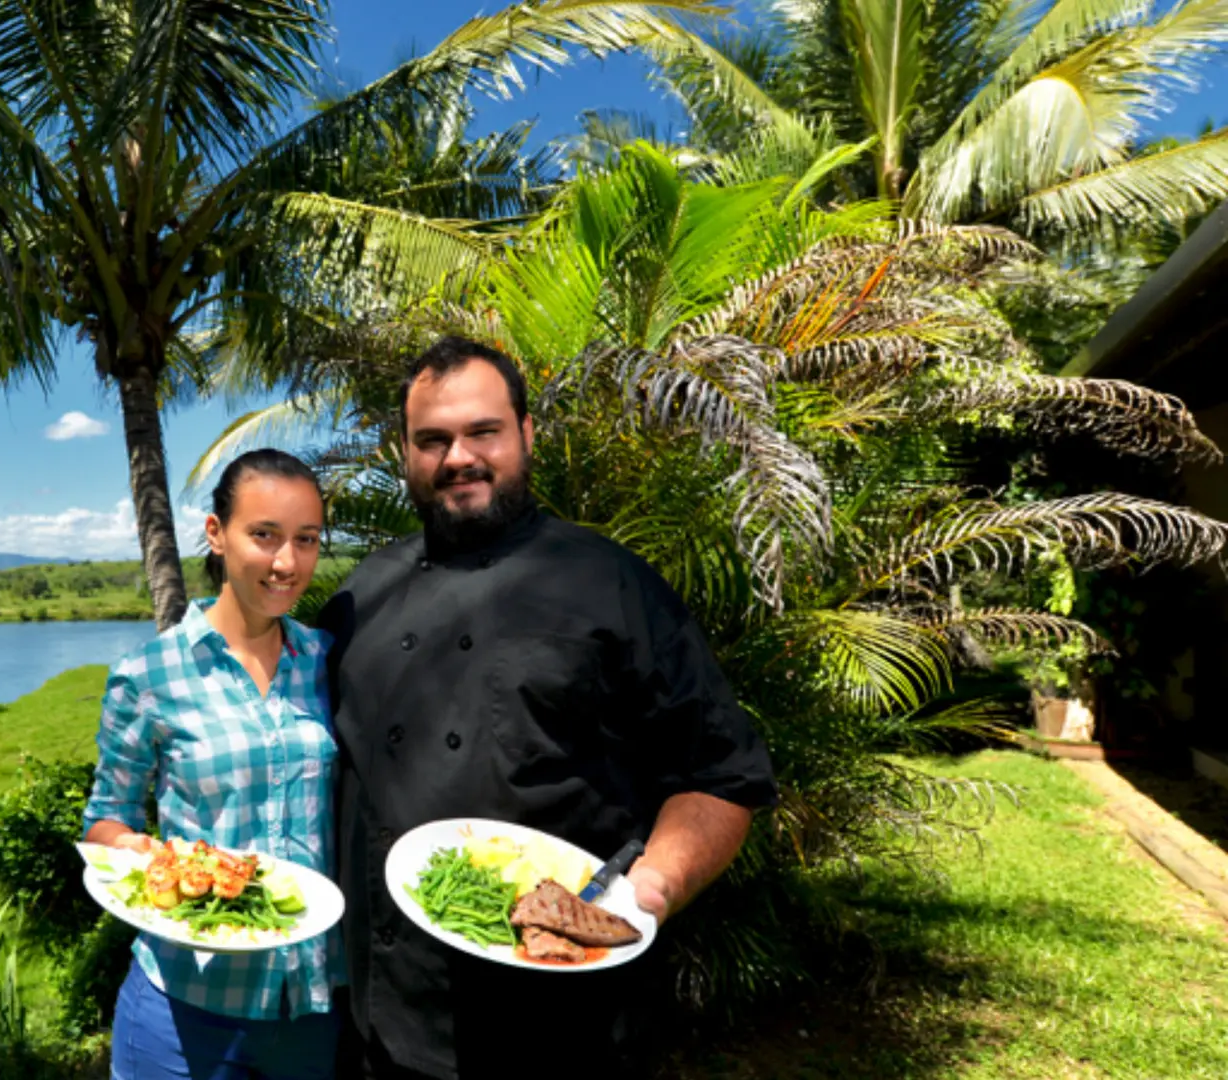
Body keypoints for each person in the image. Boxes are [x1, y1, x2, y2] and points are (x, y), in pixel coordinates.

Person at [318, 336, 779, 1078]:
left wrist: (645, 894)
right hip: (381, 1022)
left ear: (527, 435)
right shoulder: (359, 595)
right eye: (432, 439)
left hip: (561, 1026)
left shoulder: (612, 584)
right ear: (404, 452)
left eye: (483, 432)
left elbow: (721, 777)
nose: (458, 457)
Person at [82, 448, 342, 1080]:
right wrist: (136, 851)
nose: (287, 563)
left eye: (306, 540)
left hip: (310, 1008)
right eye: (264, 536)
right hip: (184, 1010)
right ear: (217, 534)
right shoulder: (147, 675)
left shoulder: (329, 660)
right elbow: (103, 821)